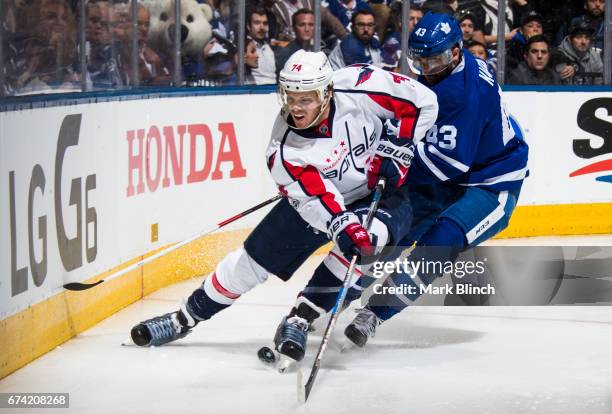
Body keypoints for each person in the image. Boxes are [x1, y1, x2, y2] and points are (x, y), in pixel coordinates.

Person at [130, 50, 439, 364]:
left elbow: (422, 102)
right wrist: (344, 225)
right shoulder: (284, 151)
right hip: (321, 205)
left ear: (327, 93)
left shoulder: (360, 84)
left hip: (381, 195)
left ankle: (300, 318)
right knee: (249, 264)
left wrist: (399, 145)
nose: (295, 107)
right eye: (290, 97)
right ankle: (185, 318)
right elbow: (318, 200)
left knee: (369, 242)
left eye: (305, 99)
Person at [342, 12, 529, 348]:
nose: (427, 69)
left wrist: (390, 165)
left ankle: (376, 313)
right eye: (421, 61)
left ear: (456, 52)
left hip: (492, 181)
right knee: (391, 227)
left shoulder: (464, 92)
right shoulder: (443, 72)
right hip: (451, 172)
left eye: (435, 60)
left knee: (438, 243)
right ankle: (336, 293)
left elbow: (450, 163)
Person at [274, 9, 315, 75]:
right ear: (293, 28)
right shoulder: (284, 54)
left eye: (310, 25)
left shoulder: (319, 51)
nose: (307, 29)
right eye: (302, 25)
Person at [246, 6, 276, 84]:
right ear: (248, 26)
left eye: (265, 23)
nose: (262, 27)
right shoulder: (245, 47)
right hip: (253, 91)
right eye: (257, 23)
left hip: (273, 91)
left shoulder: (271, 47)